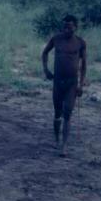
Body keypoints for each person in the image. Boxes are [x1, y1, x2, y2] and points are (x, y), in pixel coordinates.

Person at [42, 14, 87, 157]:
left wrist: (81, 84)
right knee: (57, 113)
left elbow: (84, 65)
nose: (66, 29)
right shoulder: (56, 39)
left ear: (75, 27)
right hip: (57, 82)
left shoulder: (80, 42)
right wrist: (46, 70)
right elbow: (44, 53)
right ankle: (56, 140)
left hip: (72, 83)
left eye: (69, 26)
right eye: (64, 26)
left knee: (68, 113)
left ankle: (64, 145)